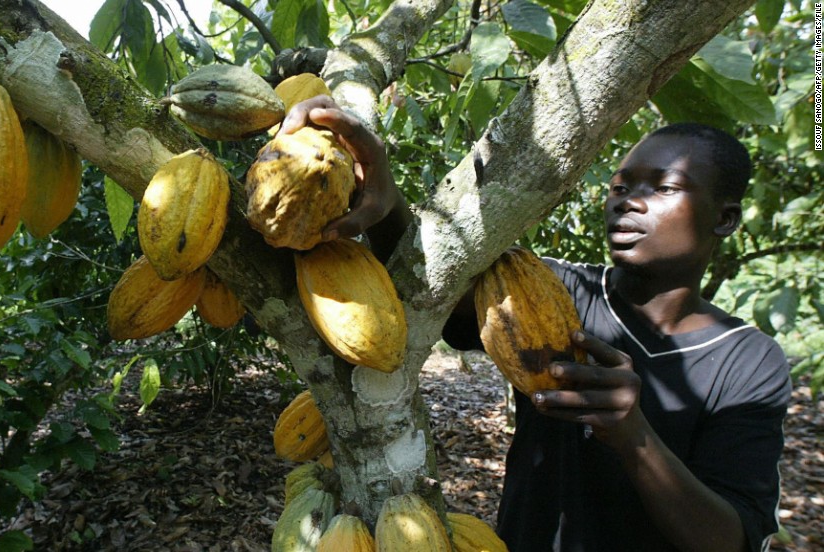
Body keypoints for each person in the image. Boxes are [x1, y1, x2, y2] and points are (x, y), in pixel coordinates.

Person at [279, 95, 792, 552]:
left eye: (663, 187)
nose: (626, 202)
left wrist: (634, 437)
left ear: (723, 219)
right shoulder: (551, 286)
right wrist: (383, 192)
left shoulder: (748, 360)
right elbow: (430, 294)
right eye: (620, 185)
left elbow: (731, 536)